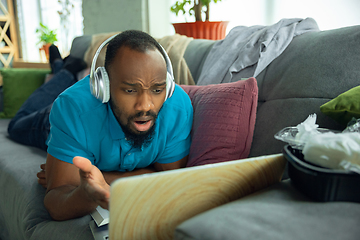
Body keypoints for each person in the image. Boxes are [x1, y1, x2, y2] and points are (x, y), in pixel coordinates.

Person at [10, 30, 193, 221]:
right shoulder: (72, 109)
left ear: (169, 86)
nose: (146, 106)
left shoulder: (177, 107)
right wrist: (84, 195)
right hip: (49, 123)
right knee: (16, 125)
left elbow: (170, 182)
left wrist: (102, 181)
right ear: (103, 86)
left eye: (157, 89)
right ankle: (63, 72)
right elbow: (56, 202)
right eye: (130, 90)